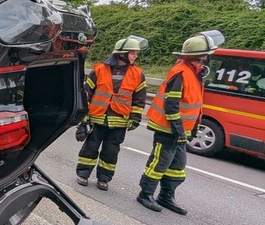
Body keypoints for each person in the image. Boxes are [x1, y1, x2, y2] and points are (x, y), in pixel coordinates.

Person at [136, 31, 223, 214]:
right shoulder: (181, 72)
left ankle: (166, 196)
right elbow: (171, 104)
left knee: (177, 166)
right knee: (159, 162)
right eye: (206, 55)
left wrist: (187, 130)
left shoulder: (194, 73)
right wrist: (178, 128)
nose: (208, 58)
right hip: (168, 129)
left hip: (181, 130)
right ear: (200, 56)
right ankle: (145, 194)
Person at [75, 35, 148, 190]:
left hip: (119, 122)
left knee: (111, 152)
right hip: (97, 118)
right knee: (90, 148)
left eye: (136, 53)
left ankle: (104, 178)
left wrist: (135, 117)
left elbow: (139, 99)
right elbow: (86, 94)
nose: (135, 56)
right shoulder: (99, 70)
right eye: (133, 53)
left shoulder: (138, 74)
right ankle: (83, 174)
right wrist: (84, 117)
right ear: (122, 54)